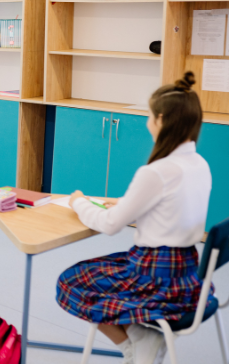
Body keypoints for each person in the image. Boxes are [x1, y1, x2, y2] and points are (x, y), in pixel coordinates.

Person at [56, 72, 212, 364]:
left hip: (152, 274)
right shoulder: (199, 164)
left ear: (163, 120)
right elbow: (169, 204)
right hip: (188, 273)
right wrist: (126, 201)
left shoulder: (156, 171)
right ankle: (142, 336)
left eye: (150, 117)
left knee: (70, 282)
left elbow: (110, 224)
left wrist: (78, 202)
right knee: (99, 273)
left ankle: (134, 345)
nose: (147, 123)